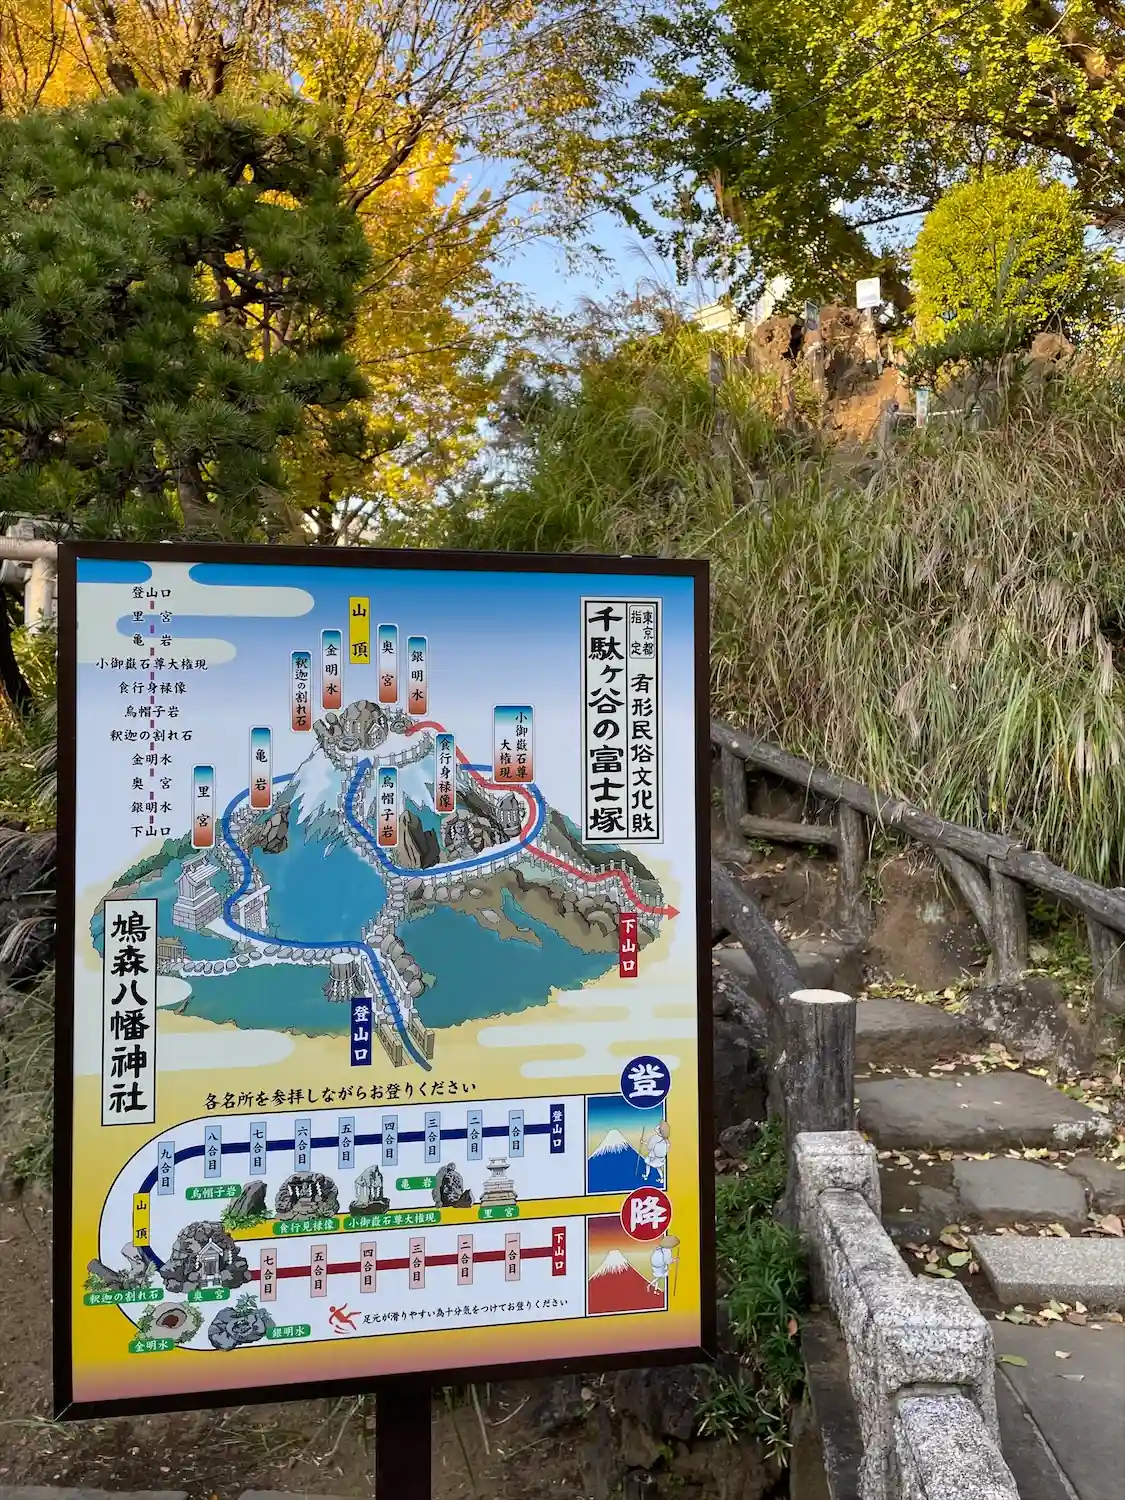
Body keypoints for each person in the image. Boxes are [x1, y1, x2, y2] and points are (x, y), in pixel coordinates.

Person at [640, 1119, 669, 1185]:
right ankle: (662, 1178)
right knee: (658, 1167)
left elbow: (649, 1147)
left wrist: (643, 1143)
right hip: (660, 1158)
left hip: (653, 1157)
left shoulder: (655, 1137)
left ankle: (646, 1176)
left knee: (647, 1164)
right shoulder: (665, 1139)